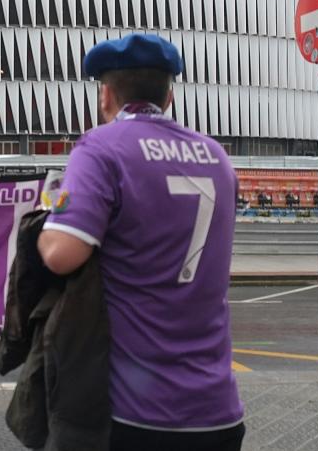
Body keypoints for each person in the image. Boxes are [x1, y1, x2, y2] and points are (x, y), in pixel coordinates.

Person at [37, 34, 244, 451]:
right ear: (168, 97)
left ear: (105, 94)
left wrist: (49, 210)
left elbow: (61, 254)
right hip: (219, 410)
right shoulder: (217, 156)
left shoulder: (101, 148)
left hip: (138, 413)